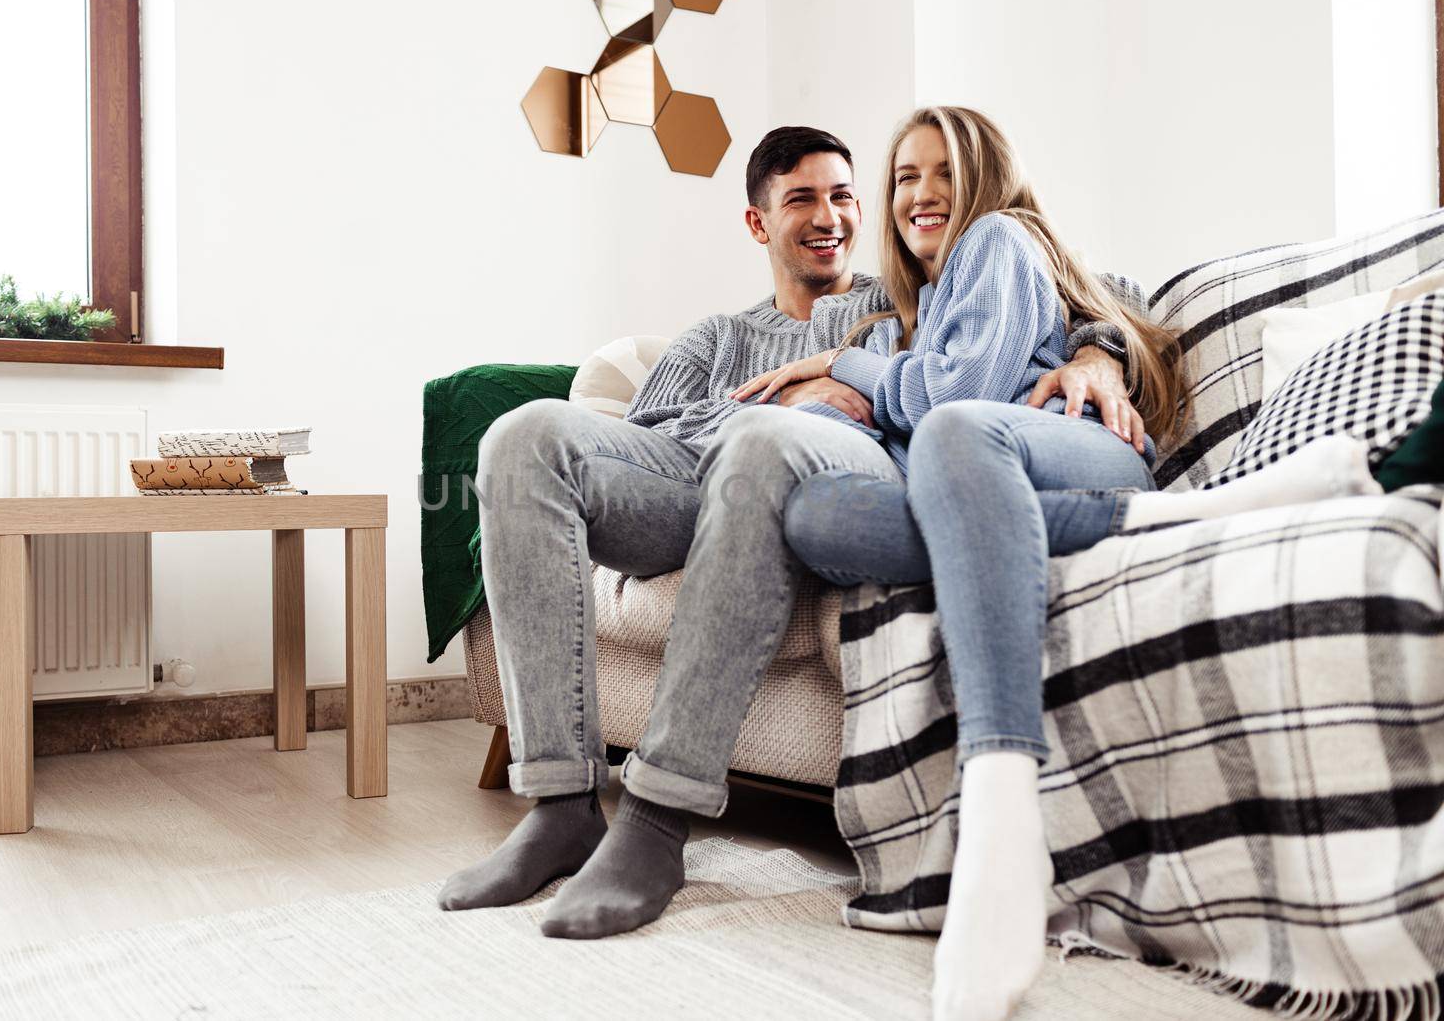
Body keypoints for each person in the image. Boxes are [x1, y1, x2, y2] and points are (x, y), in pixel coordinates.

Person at [734, 106, 1381, 1021]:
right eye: (905, 177)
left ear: (985, 178)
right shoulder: (903, 315)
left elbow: (959, 393)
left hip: (1075, 447)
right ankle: (1197, 516)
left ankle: (1003, 807)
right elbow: (908, 396)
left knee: (955, 427)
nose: (921, 193)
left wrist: (1090, 353)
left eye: (943, 172)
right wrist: (849, 381)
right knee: (819, 513)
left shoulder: (1001, 238)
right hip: (989, 486)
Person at [436, 125, 1134, 941]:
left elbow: (1088, 284)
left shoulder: (901, 291)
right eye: (801, 198)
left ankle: (657, 820)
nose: (829, 214)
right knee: (518, 439)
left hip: (816, 477)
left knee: (763, 447)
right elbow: (655, 425)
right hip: (689, 489)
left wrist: (1100, 354)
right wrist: (770, 400)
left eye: (843, 194)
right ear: (759, 224)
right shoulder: (716, 337)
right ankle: (559, 805)